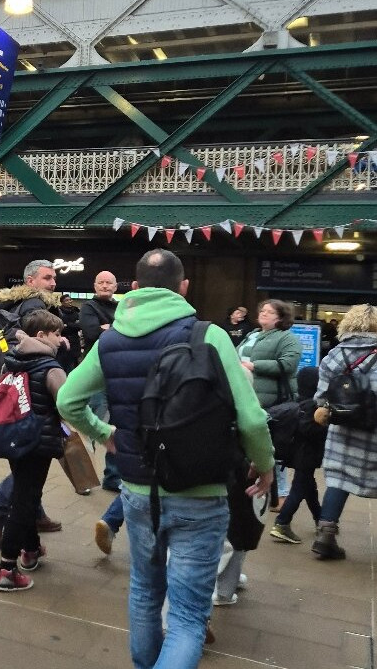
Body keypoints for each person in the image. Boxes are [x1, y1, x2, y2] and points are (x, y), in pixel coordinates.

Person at [57, 249, 274, 669]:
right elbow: (251, 419)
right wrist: (265, 465)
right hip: (202, 490)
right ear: (184, 287)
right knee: (189, 616)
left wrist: (106, 434)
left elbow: (68, 400)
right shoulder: (209, 336)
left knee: (143, 589)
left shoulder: (111, 340)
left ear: (134, 289)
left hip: (137, 489)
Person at [0, 259, 62, 542]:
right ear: (30, 281)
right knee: (29, 467)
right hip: (30, 399)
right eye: (47, 278)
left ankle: (35, 515)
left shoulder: (11, 305)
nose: (53, 283)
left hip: (10, 391)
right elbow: (35, 354)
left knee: (24, 460)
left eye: (53, 278)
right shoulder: (35, 306)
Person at [0, 310, 67, 592]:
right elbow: (66, 402)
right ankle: (7, 568)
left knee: (27, 493)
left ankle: (31, 548)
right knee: (24, 500)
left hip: (14, 437)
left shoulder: (11, 359)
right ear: (41, 336)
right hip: (39, 441)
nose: (61, 340)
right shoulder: (50, 367)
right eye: (57, 334)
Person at [309, 304, 377, 561]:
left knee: (338, 478)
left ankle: (325, 536)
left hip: (343, 429)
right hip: (374, 430)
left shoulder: (334, 355)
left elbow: (321, 399)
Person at [237, 299, 301, 510]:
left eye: (269, 312)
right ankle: (250, 487)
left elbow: (288, 364)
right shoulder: (252, 334)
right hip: (247, 395)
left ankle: (280, 494)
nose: (263, 313)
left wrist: (254, 365)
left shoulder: (287, 338)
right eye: (262, 310)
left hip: (272, 401)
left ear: (280, 317)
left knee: (274, 446)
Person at [269, 367, 326, 544]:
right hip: (306, 455)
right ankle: (282, 523)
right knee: (300, 488)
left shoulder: (300, 402)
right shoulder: (313, 407)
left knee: (309, 487)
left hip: (298, 454)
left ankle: (322, 520)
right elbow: (308, 430)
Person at [78, 270, 121, 492]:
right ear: (95, 286)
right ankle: (84, 478)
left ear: (115, 286)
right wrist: (116, 328)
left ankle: (113, 478)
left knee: (119, 426)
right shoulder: (88, 307)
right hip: (96, 375)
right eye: (101, 282)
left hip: (119, 374)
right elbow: (92, 332)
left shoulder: (121, 308)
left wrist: (108, 329)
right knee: (90, 425)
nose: (105, 286)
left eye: (109, 283)